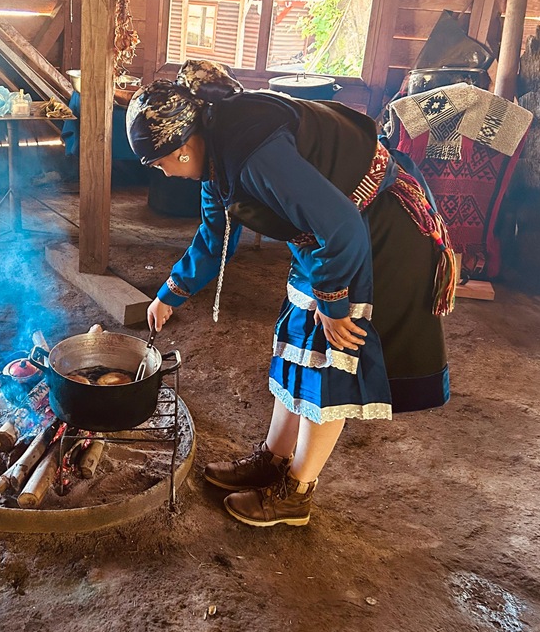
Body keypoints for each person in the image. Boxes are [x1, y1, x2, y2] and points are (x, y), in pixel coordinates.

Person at [126, 60, 456, 528]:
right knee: (296, 342)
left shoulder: (254, 152)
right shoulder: (216, 156)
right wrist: (169, 295)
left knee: (327, 356)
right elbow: (215, 233)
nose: (161, 174)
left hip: (373, 231)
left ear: (182, 147)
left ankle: (296, 492)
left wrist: (335, 303)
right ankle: (275, 459)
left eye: (159, 164)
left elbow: (342, 227)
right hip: (325, 237)